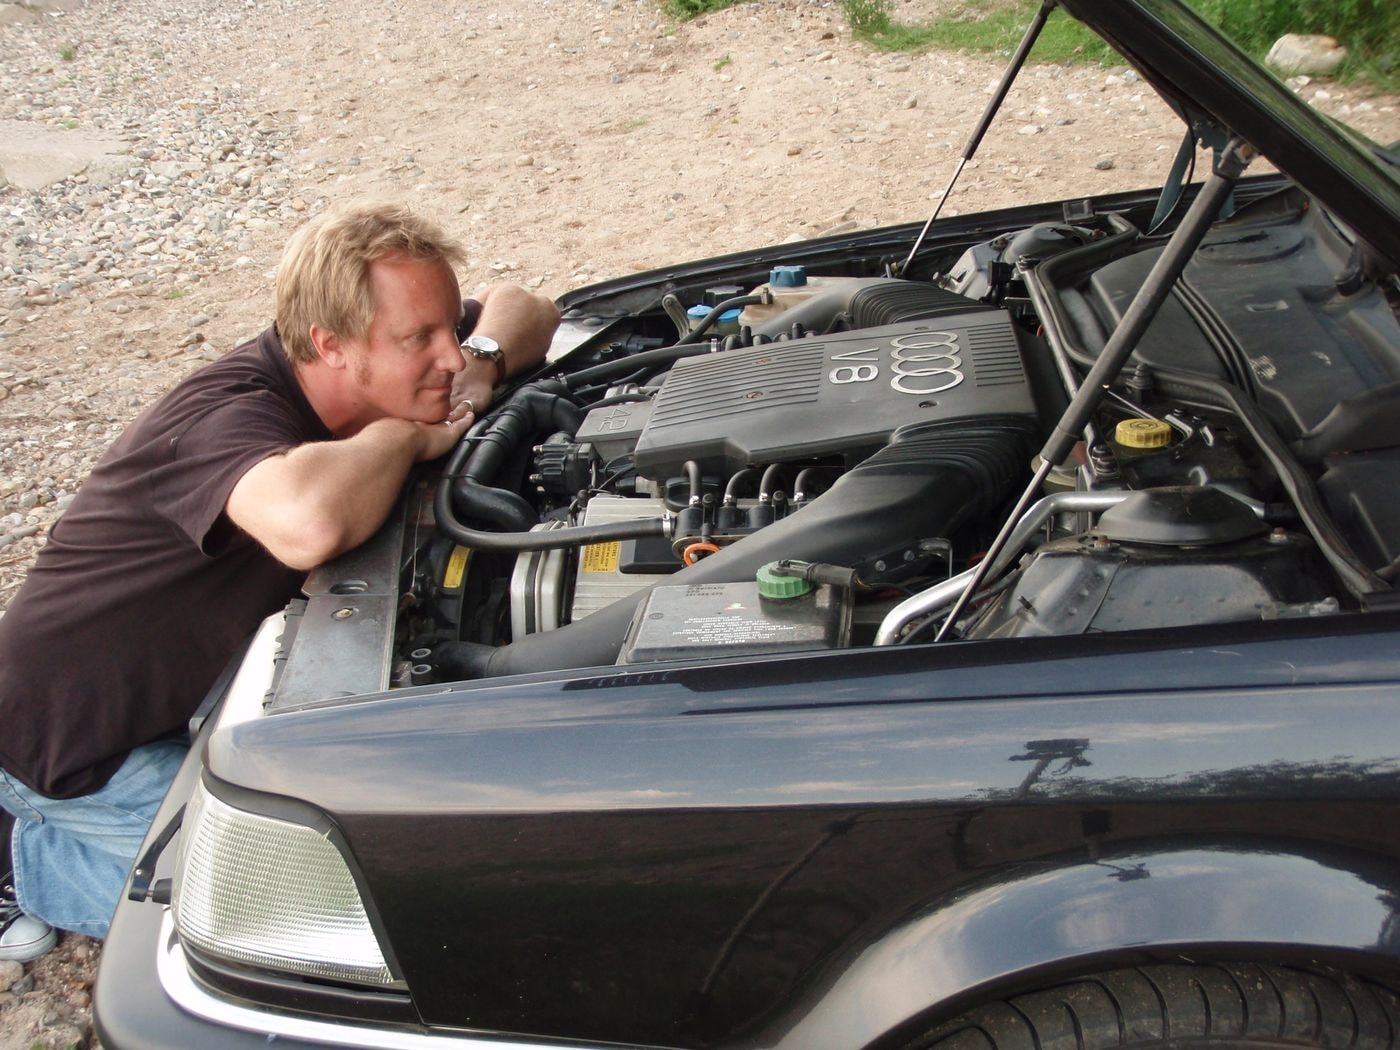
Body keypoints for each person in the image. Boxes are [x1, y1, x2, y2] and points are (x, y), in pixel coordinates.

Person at [0, 201, 560, 962]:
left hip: (188, 691)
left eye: (448, 330)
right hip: (73, 741)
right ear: (329, 344)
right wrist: (402, 436)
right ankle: (24, 858)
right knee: (300, 916)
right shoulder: (220, 418)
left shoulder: (404, 340)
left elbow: (529, 305)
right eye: (419, 341)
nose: (450, 357)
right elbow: (308, 523)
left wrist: (484, 357)